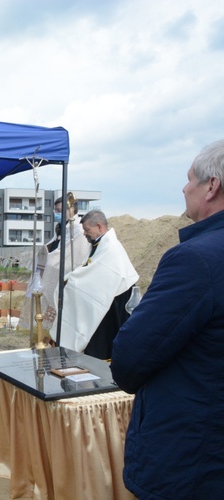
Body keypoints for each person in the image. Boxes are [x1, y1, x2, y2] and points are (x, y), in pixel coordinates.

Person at [111, 139, 224, 497]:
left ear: (212, 186)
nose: (183, 187)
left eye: (190, 179)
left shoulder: (195, 260)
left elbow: (131, 358)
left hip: (193, 453)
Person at [58, 210, 137, 359]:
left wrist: (74, 280)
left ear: (99, 227)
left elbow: (99, 273)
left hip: (115, 300)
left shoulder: (111, 247)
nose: (85, 234)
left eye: (87, 230)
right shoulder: (99, 244)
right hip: (107, 297)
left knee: (106, 337)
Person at [18, 195, 91, 333]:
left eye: (60, 210)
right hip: (54, 272)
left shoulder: (78, 230)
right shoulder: (60, 228)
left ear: (72, 210)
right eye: (56, 211)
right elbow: (53, 248)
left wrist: (49, 260)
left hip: (65, 277)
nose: (57, 214)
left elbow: (72, 255)